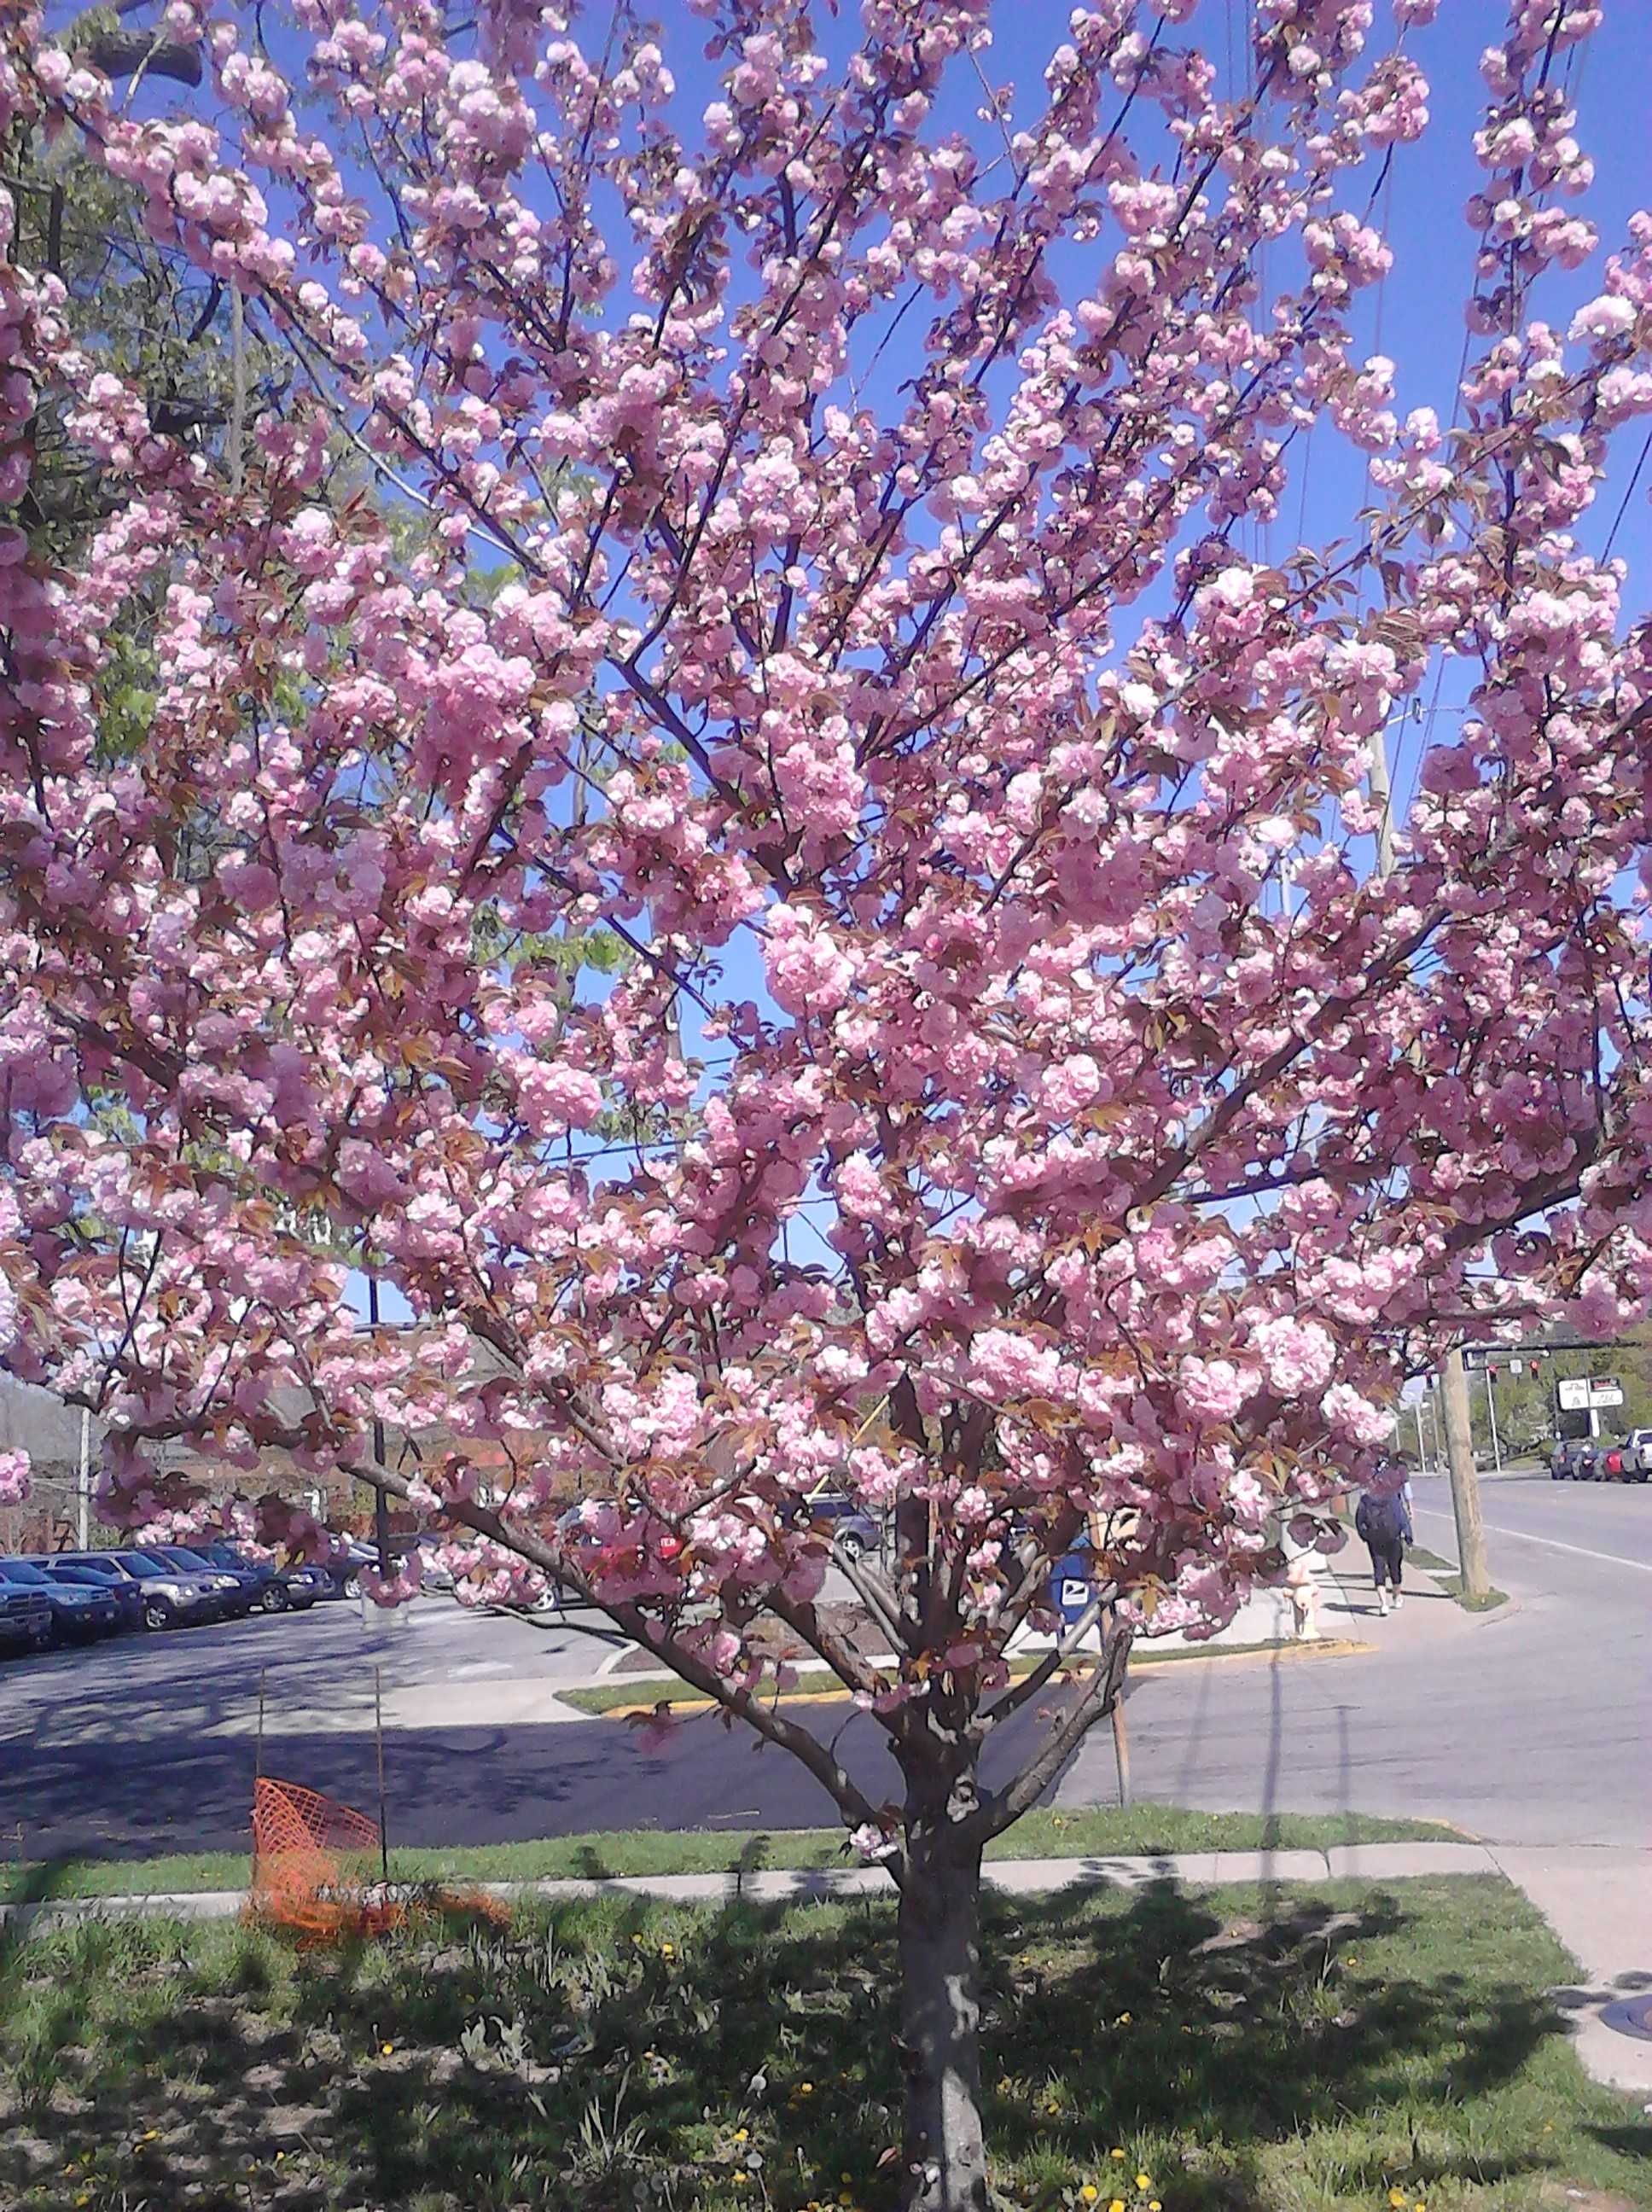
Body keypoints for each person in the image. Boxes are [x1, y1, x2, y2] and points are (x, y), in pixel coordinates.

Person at [1354, 1476, 1413, 1615]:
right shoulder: (1393, 1497)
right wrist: (1409, 1537)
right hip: (1393, 1537)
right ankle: (1397, 1597)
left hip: (1374, 1539)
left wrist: (1365, 1536)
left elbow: (1359, 1520)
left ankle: (1383, 1604)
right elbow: (1402, 1518)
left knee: (1378, 1569)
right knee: (1395, 1568)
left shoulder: (1366, 1499)